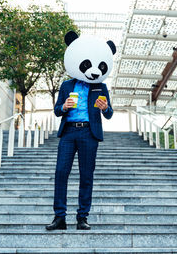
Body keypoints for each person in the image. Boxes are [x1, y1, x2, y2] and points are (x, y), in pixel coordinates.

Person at [46, 31, 116, 230]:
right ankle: (59, 217)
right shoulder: (67, 85)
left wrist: (105, 108)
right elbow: (57, 110)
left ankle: (82, 217)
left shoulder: (100, 87)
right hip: (68, 132)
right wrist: (64, 107)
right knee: (61, 172)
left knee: (86, 175)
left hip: (89, 133)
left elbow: (110, 114)